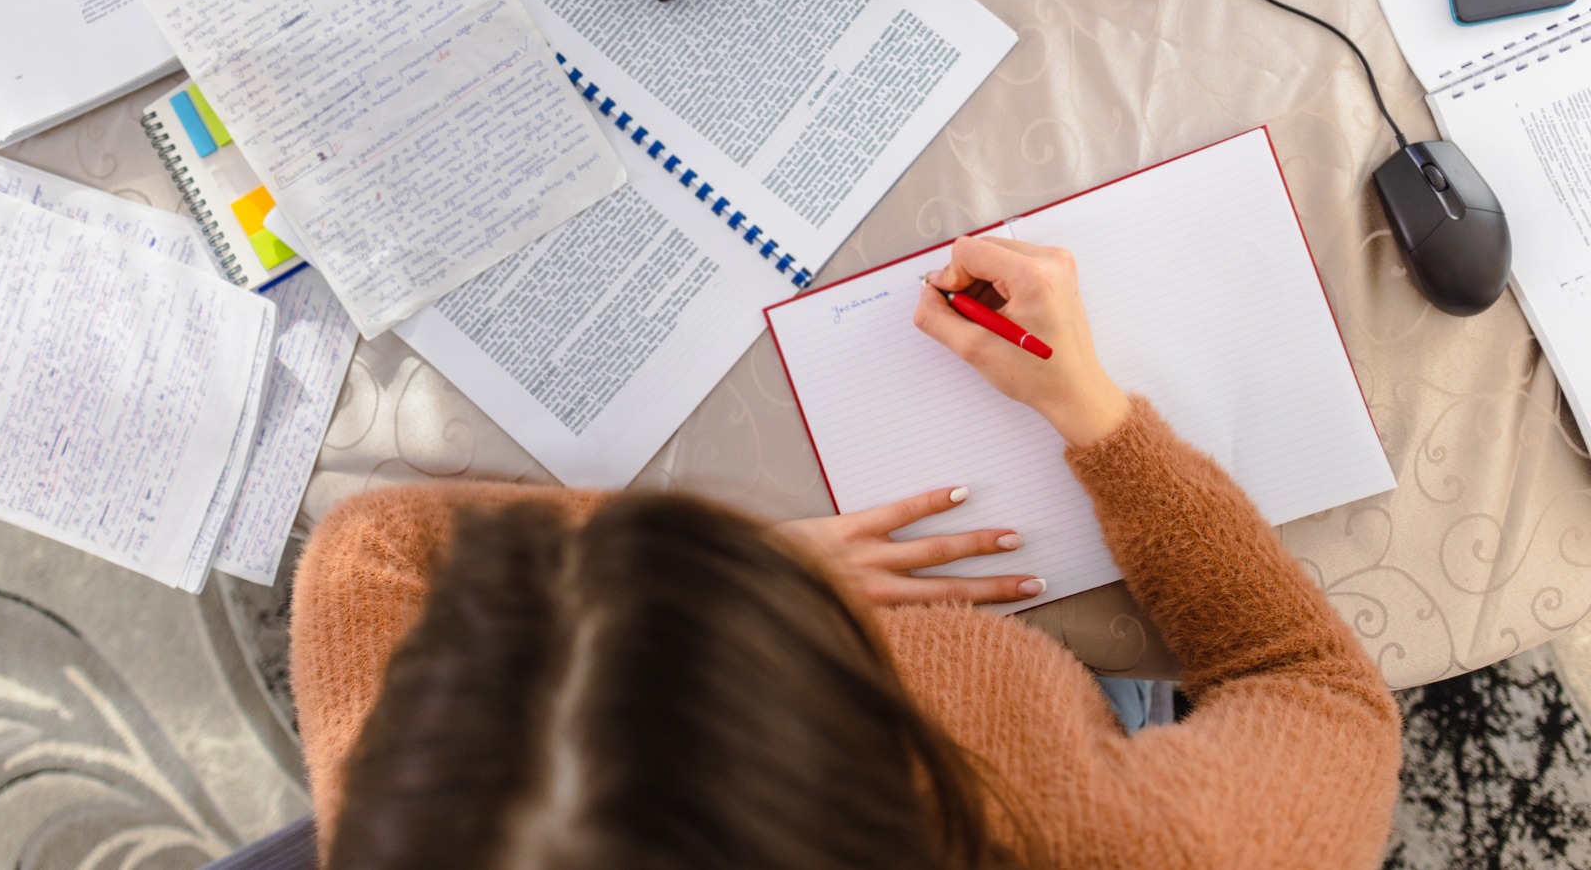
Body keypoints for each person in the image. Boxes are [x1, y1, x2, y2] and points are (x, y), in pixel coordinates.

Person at [290, 236, 1402, 870]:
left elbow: (368, 549)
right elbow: (1316, 691)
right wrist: (1100, 418)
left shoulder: (447, 817)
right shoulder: (1118, 842)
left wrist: (768, 567)